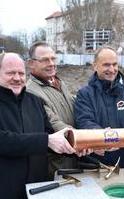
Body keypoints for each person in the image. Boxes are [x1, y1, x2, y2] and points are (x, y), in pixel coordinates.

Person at [0, 52, 75, 199]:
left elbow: (50, 139)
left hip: (37, 188)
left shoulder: (34, 101)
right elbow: (4, 140)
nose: (17, 78)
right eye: (10, 73)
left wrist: (72, 146)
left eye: (21, 73)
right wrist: (46, 140)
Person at [74, 46, 124, 168]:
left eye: (114, 64)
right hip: (94, 164)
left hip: (123, 163)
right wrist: (103, 137)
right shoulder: (84, 94)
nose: (112, 69)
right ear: (95, 66)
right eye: (106, 65)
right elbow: (85, 121)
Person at [26, 41, 78, 179]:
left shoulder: (58, 82)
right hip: (56, 166)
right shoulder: (31, 92)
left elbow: (75, 106)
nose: (51, 63)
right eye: (45, 60)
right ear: (31, 63)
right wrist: (83, 137)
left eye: (53, 58)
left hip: (74, 158)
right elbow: (54, 123)